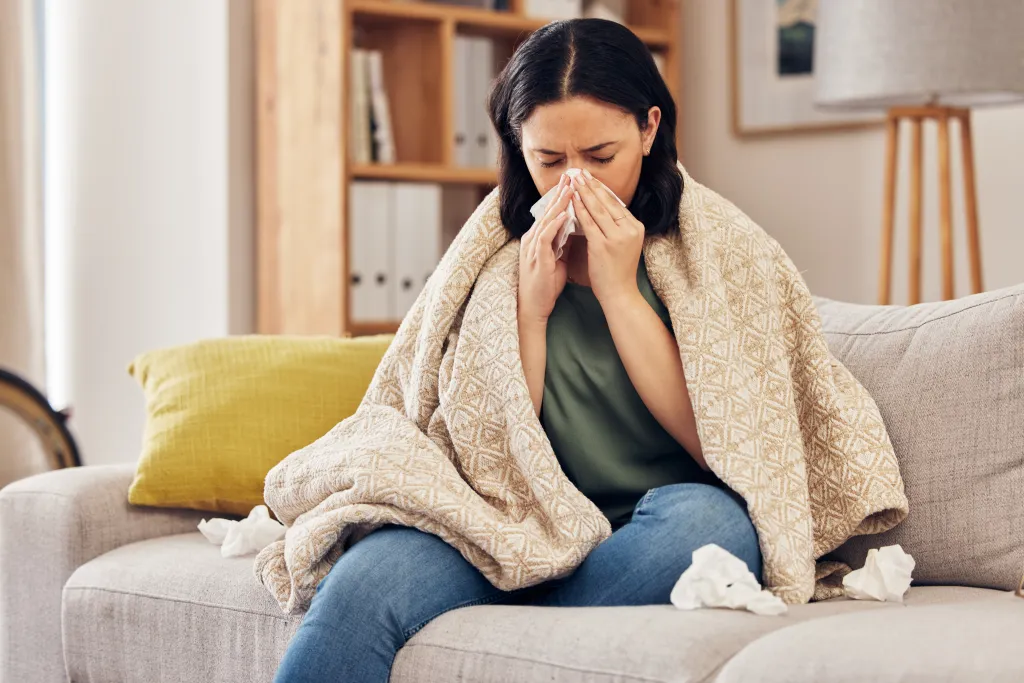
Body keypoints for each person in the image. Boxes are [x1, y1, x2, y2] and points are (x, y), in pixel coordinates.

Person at [273, 18, 762, 683]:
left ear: (649, 130)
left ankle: (514, 617)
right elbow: (486, 452)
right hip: (507, 520)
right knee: (366, 579)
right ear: (518, 147)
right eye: (549, 160)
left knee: (713, 529)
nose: (573, 184)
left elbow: (730, 444)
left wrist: (620, 293)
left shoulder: (710, 250)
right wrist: (529, 313)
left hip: (646, 526)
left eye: (600, 154)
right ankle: (517, 595)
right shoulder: (497, 261)